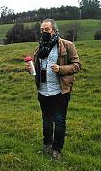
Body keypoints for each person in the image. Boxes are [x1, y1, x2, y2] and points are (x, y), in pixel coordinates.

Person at [25, 19, 81, 160]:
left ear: (54, 30)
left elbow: (77, 65)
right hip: (43, 90)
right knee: (46, 119)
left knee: (59, 120)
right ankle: (47, 146)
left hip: (60, 91)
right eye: (42, 30)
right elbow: (38, 70)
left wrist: (60, 69)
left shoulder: (67, 45)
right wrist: (30, 70)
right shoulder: (39, 49)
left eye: (47, 30)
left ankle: (57, 150)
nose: (44, 32)